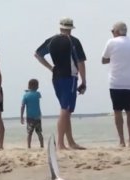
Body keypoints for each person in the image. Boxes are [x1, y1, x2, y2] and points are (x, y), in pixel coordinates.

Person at [34, 17, 87, 150]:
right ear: (71, 28)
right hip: (69, 76)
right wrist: (84, 80)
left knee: (66, 110)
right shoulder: (73, 41)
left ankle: (70, 141)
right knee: (65, 109)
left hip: (56, 76)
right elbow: (80, 62)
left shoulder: (51, 40)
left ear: (60, 27)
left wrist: (50, 67)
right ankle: (61, 143)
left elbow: (37, 54)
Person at [101, 21, 130, 147]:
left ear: (116, 32)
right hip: (129, 82)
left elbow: (104, 59)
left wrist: (114, 58)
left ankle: (122, 140)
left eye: (112, 31)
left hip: (116, 81)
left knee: (117, 111)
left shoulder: (111, 42)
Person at [20, 79, 44, 149]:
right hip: (37, 117)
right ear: (37, 87)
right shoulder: (38, 94)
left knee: (29, 133)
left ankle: (29, 146)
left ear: (28, 86)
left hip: (29, 117)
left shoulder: (25, 95)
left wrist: (21, 117)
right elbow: (37, 95)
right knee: (39, 132)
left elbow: (22, 106)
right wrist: (31, 91)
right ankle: (42, 145)